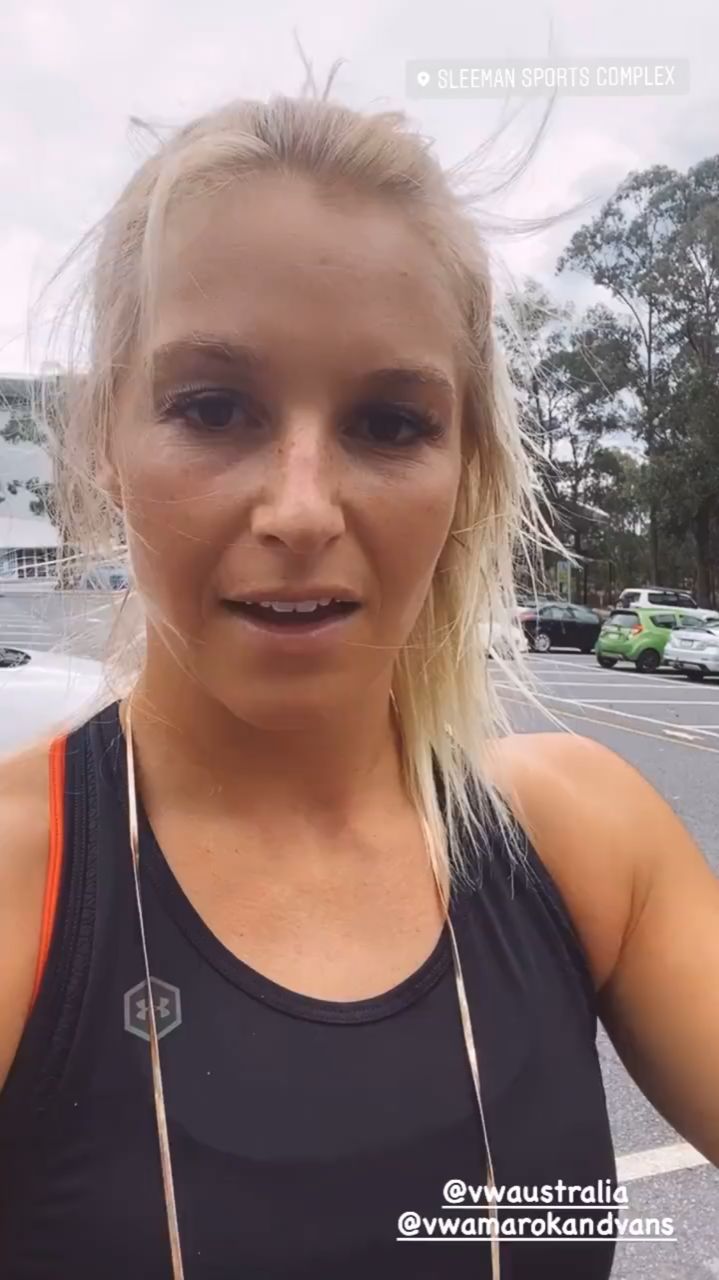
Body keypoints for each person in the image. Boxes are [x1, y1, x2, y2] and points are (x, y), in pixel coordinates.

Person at [0, 93, 717, 1280]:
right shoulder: (21, 875)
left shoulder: (584, 840)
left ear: (465, 468)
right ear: (105, 443)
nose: (299, 509)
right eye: (212, 408)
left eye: (387, 423)